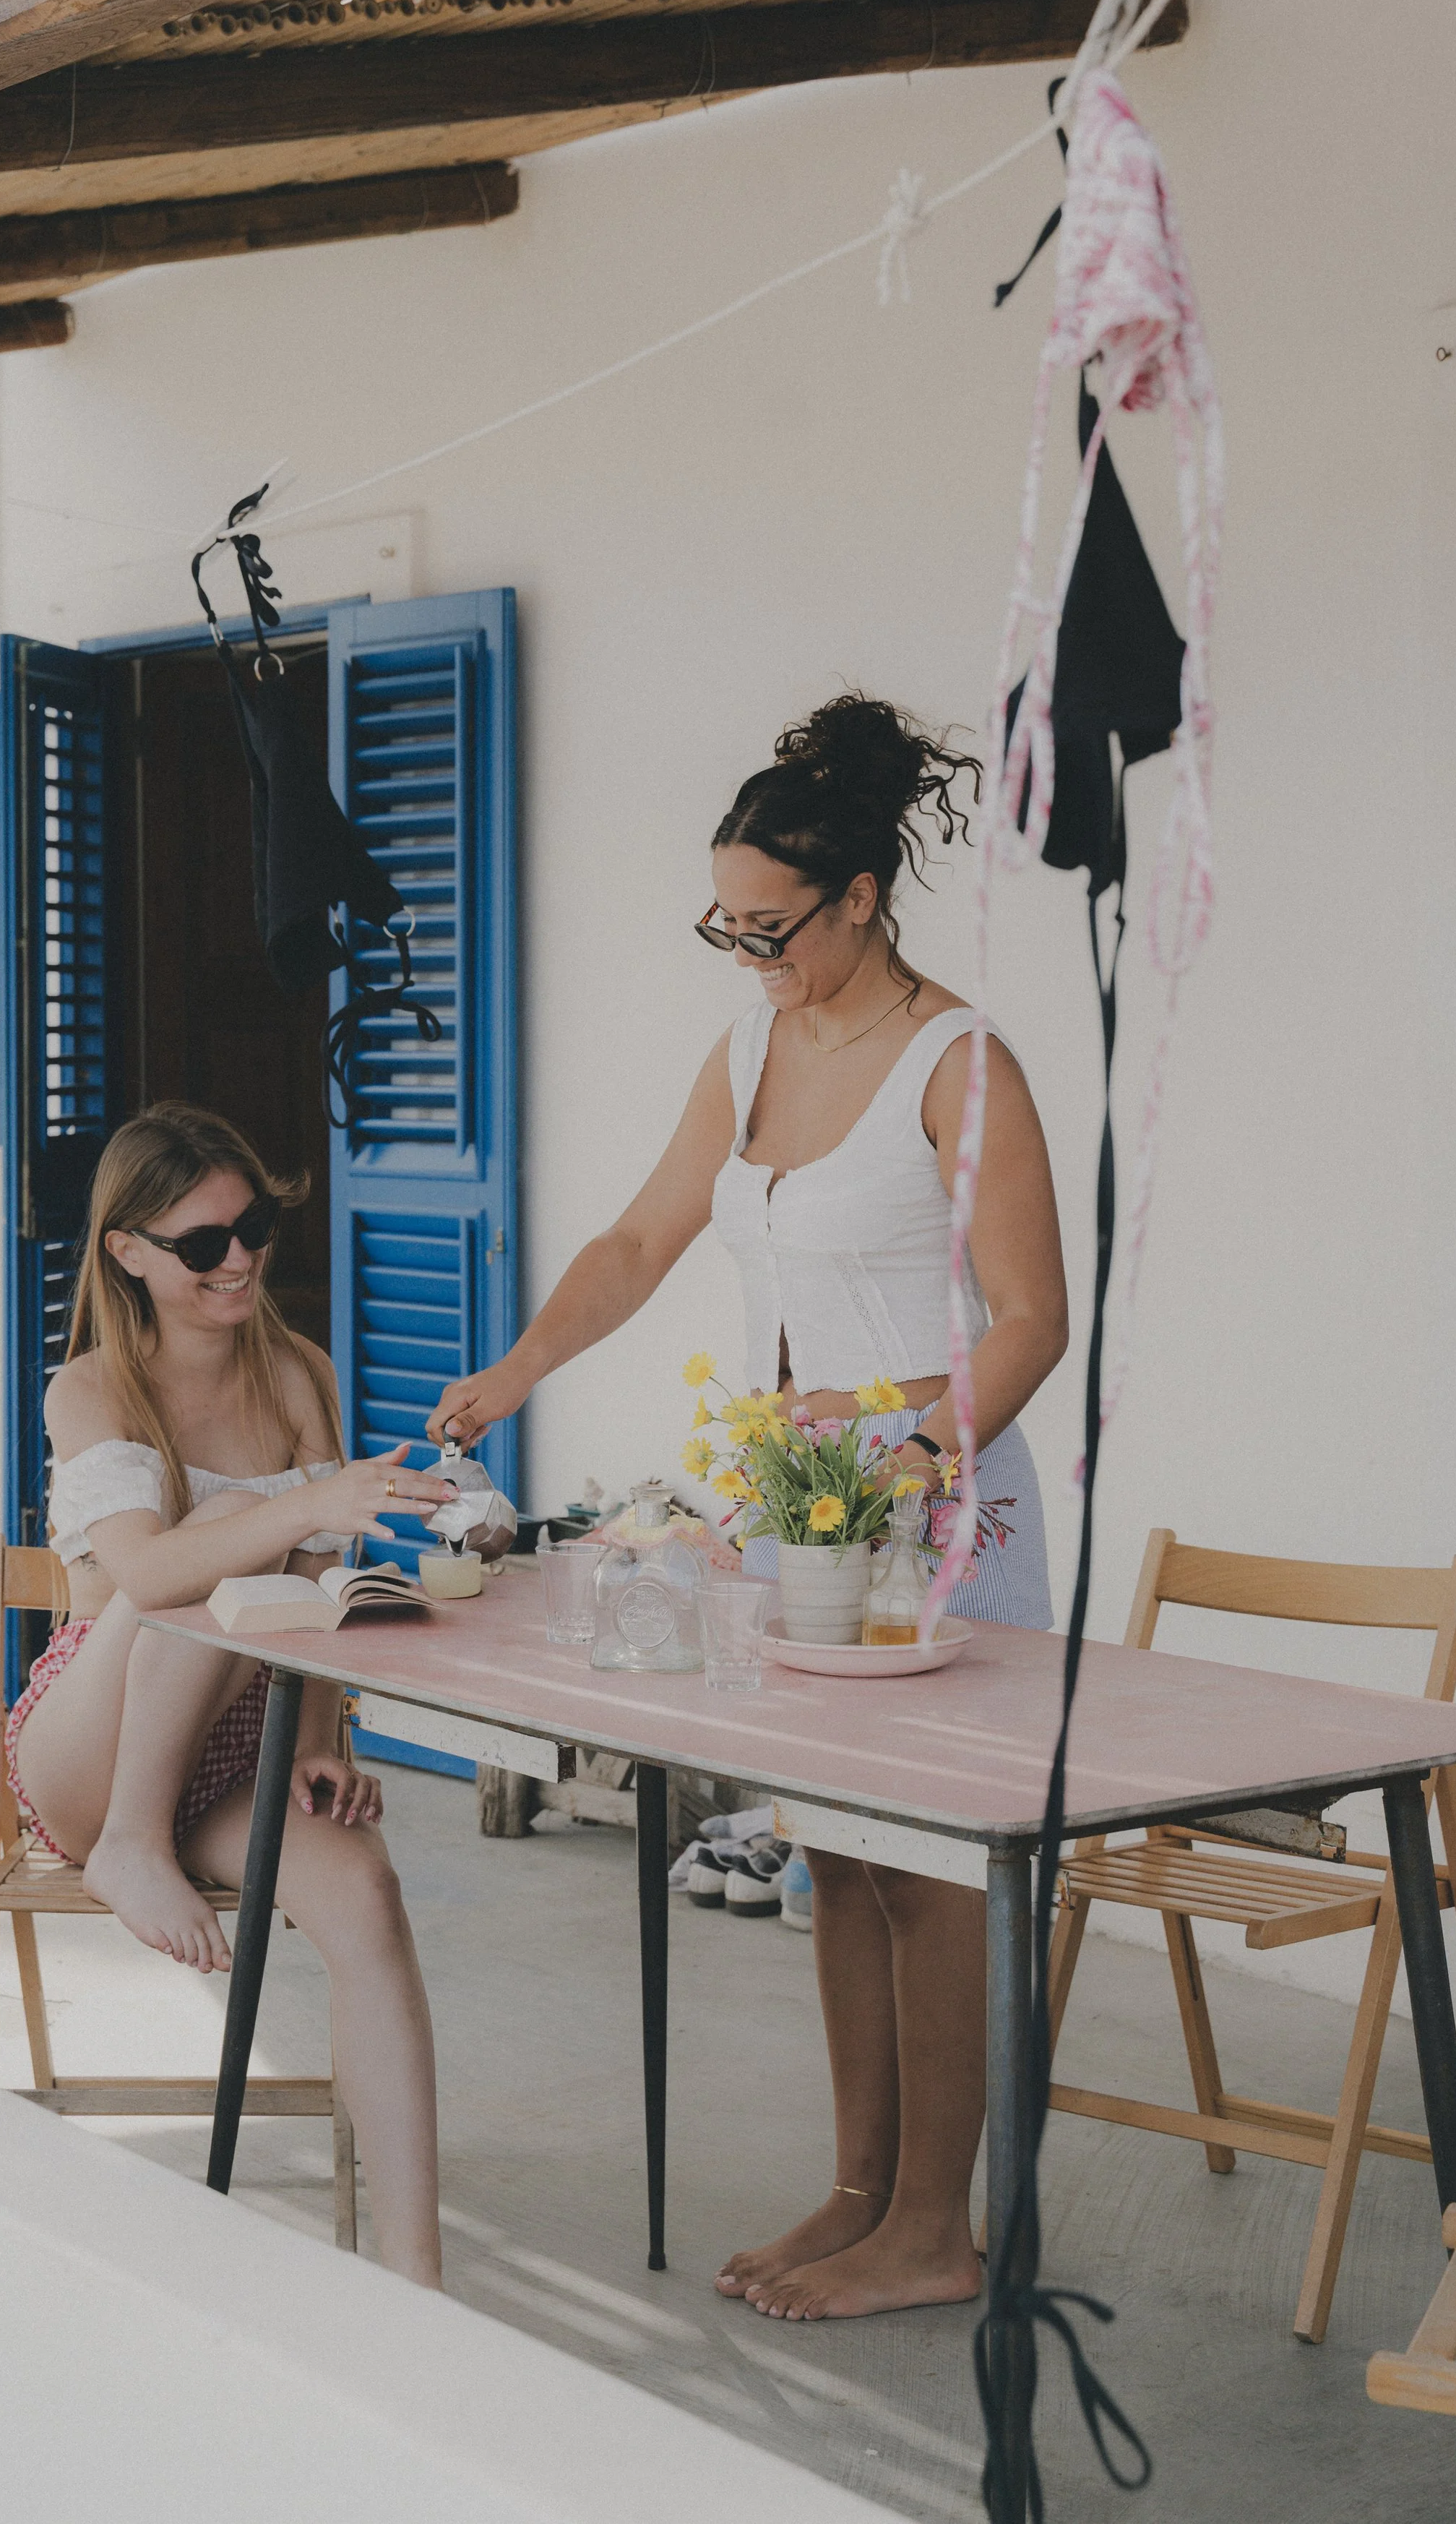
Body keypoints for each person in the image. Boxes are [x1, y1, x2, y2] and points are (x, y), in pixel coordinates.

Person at [428, 695, 1068, 2323]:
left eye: (771, 927)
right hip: (795, 1513)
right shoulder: (750, 1045)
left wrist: (900, 1460)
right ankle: (860, 2195)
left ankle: (936, 2225)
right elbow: (641, 1243)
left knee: (928, 1870)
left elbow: (1026, 1319)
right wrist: (513, 1372)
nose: (748, 956)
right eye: (726, 925)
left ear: (860, 894)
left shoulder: (958, 1062)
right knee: (834, 1859)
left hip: (933, 1509)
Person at [9, 1102, 455, 2288]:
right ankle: (131, 1846)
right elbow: (152, 1576)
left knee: (365, 1888)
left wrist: (318, 1734)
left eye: (252, 1227)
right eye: (203, 1244)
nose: (241, 1259)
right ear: (130, 1253)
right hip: (92, 1751)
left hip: (237, 1735)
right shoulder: (92, 1389)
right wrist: (309, 1501)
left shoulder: (296, 1370)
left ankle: (418, 2283)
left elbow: (323, 1584)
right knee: (211, 1531)